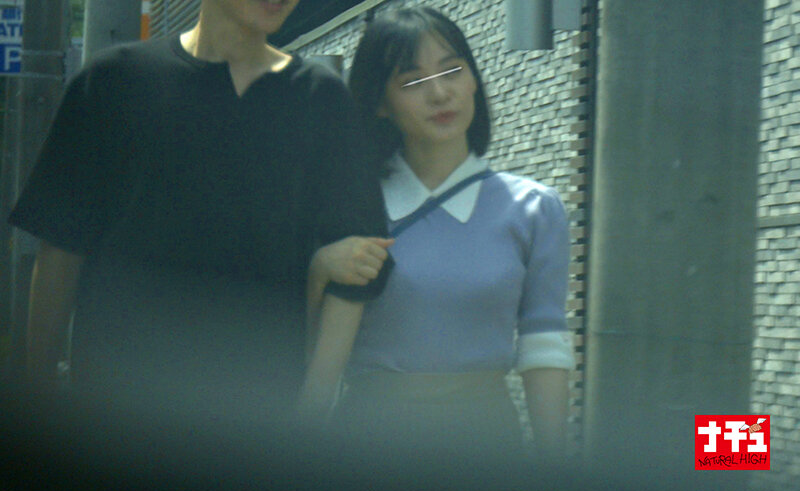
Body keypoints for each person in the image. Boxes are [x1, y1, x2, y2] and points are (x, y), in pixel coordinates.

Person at [7, 0, 393, 427]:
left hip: (257, 418)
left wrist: (310, 415)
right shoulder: (114, 80)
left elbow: (359, 267)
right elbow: (60, 249)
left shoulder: (322, 99)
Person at [300, 6, 575, 464]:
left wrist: (555, 466)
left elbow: (543, 344)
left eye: (452, 71)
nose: (440, 93)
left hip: (485, 442)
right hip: (370, 442)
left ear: (473, 81)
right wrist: (319, 268)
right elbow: (309, 359)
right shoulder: (353, 208)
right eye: (412, 82)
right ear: (380, 102)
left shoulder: (534, 208)